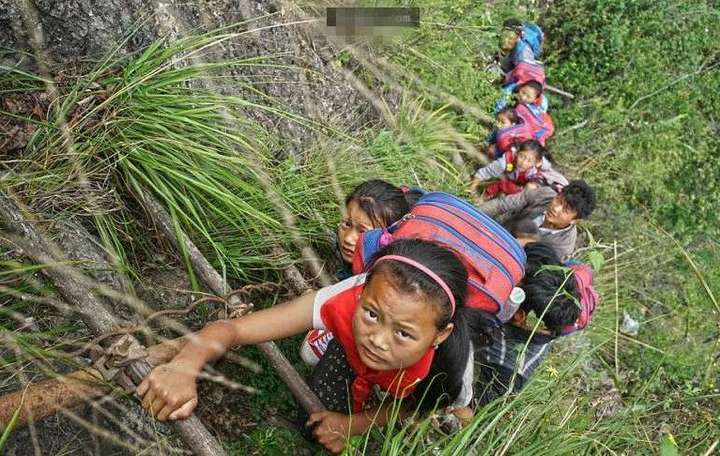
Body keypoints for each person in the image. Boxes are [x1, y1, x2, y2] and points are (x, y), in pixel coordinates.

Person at [137, 239, 496, 454]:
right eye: (370, 314)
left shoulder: (450, 365)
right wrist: (186, 363)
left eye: (403, 333)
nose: (378, 339)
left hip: (414, 389)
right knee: (320, 401)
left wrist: (355, 425)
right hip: (351, 349)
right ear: (362, 292)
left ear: (440, 335)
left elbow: (421, 408)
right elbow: (234, 329)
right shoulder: (344, 299)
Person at [303, 180, 419, 365]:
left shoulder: (392, 280)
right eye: (347, 224)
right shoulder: (373, 257)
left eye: (363, 232)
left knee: (311, 352)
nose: (348, 239)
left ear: (387, 238)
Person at [475, 180, 596, 260]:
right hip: (496, 230)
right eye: (559, 200)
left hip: (508, 258)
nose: (556, 208)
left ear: (574, 220)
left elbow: (531, 264)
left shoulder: (562, 246)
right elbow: (502, 205)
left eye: (565, 210)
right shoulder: (545, 194)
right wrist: (473, 215)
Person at [470, 140, 566, 200]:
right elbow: (485, 172)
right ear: (517, 153)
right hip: (510, 180)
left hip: (523, 187)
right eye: (521, 156)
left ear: (536, 162)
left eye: (529, 161)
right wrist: (472, 188)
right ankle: (483, 197)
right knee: (502, 185)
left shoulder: (538, 167)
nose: (523, 163)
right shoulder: (506, 161)